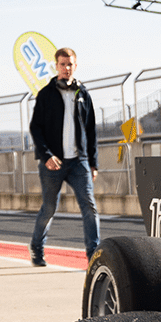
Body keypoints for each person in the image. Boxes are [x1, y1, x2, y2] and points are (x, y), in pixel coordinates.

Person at [28, 47, 100, 266]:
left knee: (89, 207)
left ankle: (94, 256)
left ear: (75, 66)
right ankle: (37, 249)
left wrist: (93, 163)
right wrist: (47, 155)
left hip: (79, 162)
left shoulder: (83, 94)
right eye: (62, 64)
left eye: (70, 64)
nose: (66, 68)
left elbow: (90, 130)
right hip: (53, 163)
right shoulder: (46, 95)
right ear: (56, 66)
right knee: (49, 208)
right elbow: (35, 128)